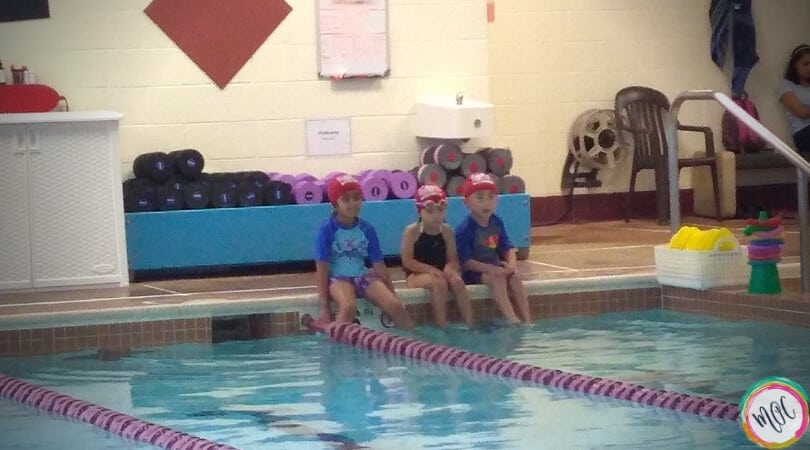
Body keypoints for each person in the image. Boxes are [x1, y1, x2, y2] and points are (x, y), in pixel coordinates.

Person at [314, 175, 414, 329]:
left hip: (362, 276)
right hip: (338, 279)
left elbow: (379, 265)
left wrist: (394, 296)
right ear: (334, 204)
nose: (353, 203)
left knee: (395, 306)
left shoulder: (367, 229)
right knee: (348, 307)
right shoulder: (326, 230)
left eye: (357, 198)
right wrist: (324, 307)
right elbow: (321, 268)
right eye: (346, 199)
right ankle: (332, 348)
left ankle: (415, 346)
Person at [455, 173, 530, 325]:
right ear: (466, 202)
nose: (486, 203)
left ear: (497, 199)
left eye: (491, 197)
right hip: (474, 272)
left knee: (515, 278)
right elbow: (467, 262)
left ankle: (527, 320)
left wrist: (511, 266)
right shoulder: (465, 229)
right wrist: (491, 269)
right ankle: (512, 319)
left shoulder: (496, 222)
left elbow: (508, 248)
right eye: (479, 197)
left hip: (494, 267)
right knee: (497, 279)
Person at [400, 184, 474, 328]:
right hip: (416, 275)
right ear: (419, 212)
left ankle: (470, 324)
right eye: (430, 211)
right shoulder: (412, 231)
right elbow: (407, 261)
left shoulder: (447, 231)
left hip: (440, 272)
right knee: (438, 282)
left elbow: (452, 259)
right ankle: (442, 325)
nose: (436, 215)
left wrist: (449, 268)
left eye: (440, 210)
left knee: (457, 281)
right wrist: (430, 270)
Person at [778, 43, 810, 152]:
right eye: (805, 64)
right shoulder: (786, 85)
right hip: (802, 134)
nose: (809, 68)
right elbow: (801, 112)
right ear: (795, 65)